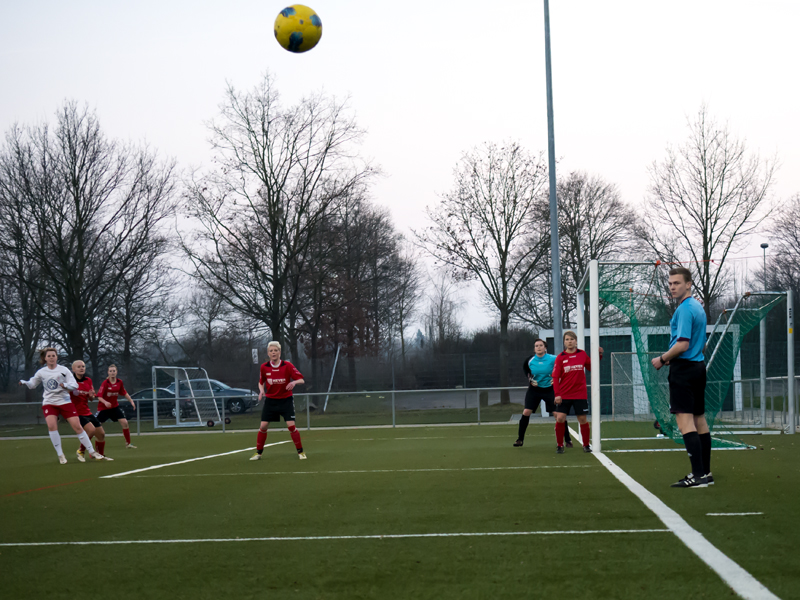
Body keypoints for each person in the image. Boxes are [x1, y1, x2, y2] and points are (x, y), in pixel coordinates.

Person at [651, 266, 712, 488]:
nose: (672, 287)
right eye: (670, 283)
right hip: (697, 367)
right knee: (699, 420)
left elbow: (683, 343)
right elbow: (701, 346)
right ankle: (705, 472)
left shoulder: (686, 308)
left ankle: (697, 476)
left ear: (689, 284)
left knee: (685, 421)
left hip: (684, 370)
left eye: (677, 283)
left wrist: (662, 358)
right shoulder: (698, 307)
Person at [19, 348, 105, 464]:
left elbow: (74, 385)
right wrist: (25, 382)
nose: (51, 358)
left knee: (77, 427)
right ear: (45, 358)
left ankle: (92, 451)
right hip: (49, 403)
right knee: (51, 426)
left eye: (53, 355)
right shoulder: (41, 372)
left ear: (56, 357)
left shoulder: (63, 370)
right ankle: (61, 455)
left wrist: (65, 385)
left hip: (65, 402)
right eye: (49, 356)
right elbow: (32, 384)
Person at [250, 341, 307, 461]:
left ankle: (301, 452)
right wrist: (261, 391)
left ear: (279, 352)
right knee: (263, 426)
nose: (273, 353)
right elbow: (261, 382)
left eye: (275, 350)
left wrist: (293, 382)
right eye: (271, 351)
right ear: (268, 353)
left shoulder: (287, 365)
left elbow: (301, 380)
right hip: (271, 401)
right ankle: (258, 453)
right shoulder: (264, 367)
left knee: (291, 426)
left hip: (285, 400)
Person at [552, 331, 603, 454]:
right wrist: (557, 394)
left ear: (576, 341)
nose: (569, 341)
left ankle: (586, 445)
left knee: (582, 419)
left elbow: (591, 367)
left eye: (572, 339)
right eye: (567, 339)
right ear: (564, 342)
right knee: (560, 418)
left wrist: (599, 356)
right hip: (564, 394)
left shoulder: (582, 354)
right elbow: (555, 376)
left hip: (580, 393)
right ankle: (560, 445)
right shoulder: (561, 357)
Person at [515, 339, 572, 448]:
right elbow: (526, 370)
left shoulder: (553, 358)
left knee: (558, 415)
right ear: (534, 348)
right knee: (526, 412)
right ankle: (520, 439)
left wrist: (557, 379)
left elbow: (564, 366)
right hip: (534, 390)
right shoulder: (530, 360)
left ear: (545, 348)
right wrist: (530, 379)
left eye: (541, 345)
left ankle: (568, 440)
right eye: (536, 346)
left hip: (550, 390)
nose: (539, 347)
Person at [71, 360, 113, 462]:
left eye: (83, 366)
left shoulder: (88, 380)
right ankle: (81, 450)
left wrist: (91, 396)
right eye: (79, 367)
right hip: (76, 412)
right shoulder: (70, 381)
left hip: (87, 411)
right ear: (73, 369)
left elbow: (91, 398)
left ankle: (100, 455)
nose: (81, 368)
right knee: (90, 430)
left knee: (101, 434)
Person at [96, 364, 137, 449]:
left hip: (114, 408)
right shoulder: (105, 383)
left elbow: (124, 392)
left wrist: (131, 401)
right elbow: (99, 396)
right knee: (96, 427)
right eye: (110, 371)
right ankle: (91, 446)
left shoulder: (119, 382)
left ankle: (128, 444)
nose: (112, 373)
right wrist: (105, 402)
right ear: (108, 372)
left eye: (114, 371)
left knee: (125, 423)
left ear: (116, 372)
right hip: (104, 408)